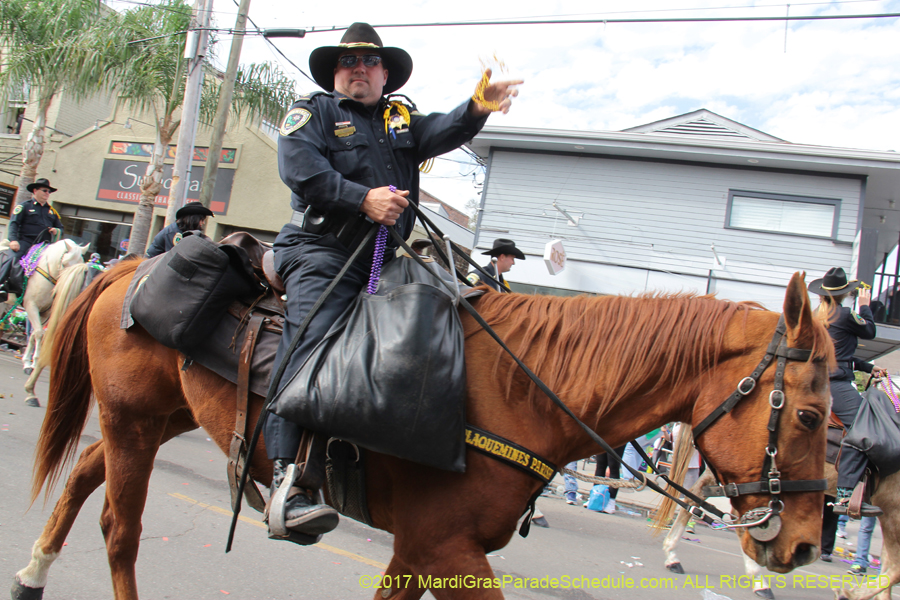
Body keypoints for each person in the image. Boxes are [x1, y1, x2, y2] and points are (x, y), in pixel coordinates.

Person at [264, 22, 522, 541]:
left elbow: (444, 130)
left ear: (384, 73)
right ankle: (286, 477)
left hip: (384, 258)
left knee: (438, 326)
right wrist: (362, 198)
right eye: (348, 62)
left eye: (368, 61)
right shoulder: (312, 113)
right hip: (323, 250)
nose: (358, 69)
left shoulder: (400, 118)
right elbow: (300, 169)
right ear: (336, 73)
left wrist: (479, 105)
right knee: (313, 337)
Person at [809, 267, 884, 518]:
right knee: (864, 427)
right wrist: (864, 305)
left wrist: (869, 367)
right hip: (835, 385)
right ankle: (845, 494)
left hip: (815, 380)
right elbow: (870, 331)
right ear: (844, 295)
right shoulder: (845, 314)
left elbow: (842, 356)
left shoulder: (815, 315)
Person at [0, 178, 63, 301]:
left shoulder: (52, 211)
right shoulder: (24, 206)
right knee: (14, 258)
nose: (47, 194)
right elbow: (14, 224)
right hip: (25, 241)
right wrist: (13, 240)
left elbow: (61, 227)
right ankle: (2, 284)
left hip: (42, 246)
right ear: (35, 191)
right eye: (44, 190)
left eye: (49, 192)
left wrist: (57, 230)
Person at [144, 201, 214, 258]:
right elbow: (173, 256)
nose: (203, 223)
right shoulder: (173, 233)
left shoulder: (183, 231)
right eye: (202, 220)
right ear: (193, 220)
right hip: (151, 267)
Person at [590, 445, 626, 514]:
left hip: (617, 437)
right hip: (603, 435)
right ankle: (595, 496)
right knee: (600, 464)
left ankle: (611, 501)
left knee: (613, 466)